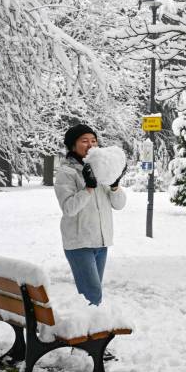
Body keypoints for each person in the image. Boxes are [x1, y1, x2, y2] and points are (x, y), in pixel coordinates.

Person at [56, 124, 126, 305]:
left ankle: (88, 328)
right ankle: (91, 330)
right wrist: (88, 188)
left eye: (93, 140)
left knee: (91, 294)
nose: (90, 145)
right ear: (73, 146)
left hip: (101, 241)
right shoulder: (66, 173)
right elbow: (69, 208)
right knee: (92, 293)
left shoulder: (101, 169)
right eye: (84, 141)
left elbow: (119, 205)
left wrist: (114, 185)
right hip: (79, 243)